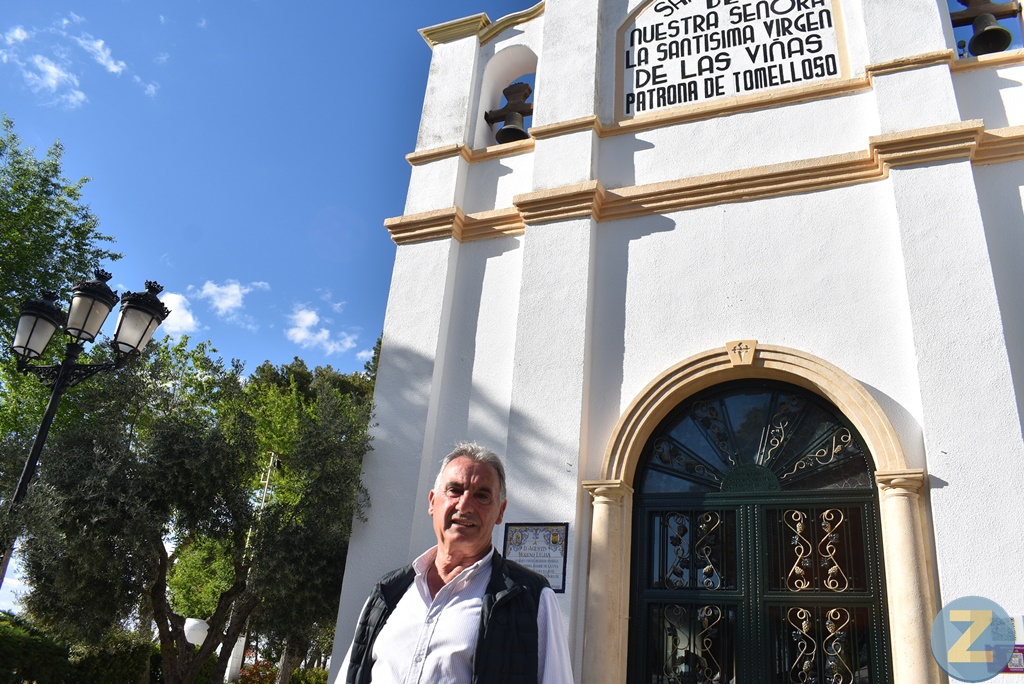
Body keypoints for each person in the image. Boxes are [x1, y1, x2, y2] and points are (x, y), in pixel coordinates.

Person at [341, 442, 574, 683]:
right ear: (432, 502)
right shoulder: (387, 593)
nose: (464, 506)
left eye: (482, 496)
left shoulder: (531, 598)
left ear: (500, 512)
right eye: (454, 490)